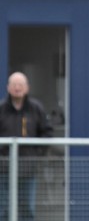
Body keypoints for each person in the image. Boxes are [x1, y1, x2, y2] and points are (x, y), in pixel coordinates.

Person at [0, 72, 53, 220]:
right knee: (3, 210)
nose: (17, 88)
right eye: (14, 85)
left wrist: (36, 155)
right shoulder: (1, 109)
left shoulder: (36, 109)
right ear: (8, 88)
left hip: (27, 170)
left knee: (27, 210)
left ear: (27, 88)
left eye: (21, 85)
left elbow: (47, 133)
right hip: (3, 170)